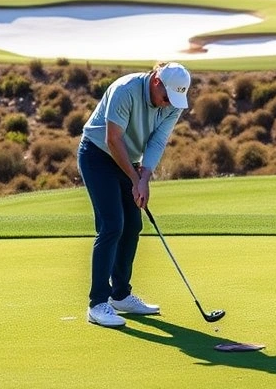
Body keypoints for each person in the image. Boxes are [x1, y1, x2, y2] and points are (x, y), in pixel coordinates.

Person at [76, 61, 191, 328]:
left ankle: (120, 295)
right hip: (98, 156)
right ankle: (97, 303)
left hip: (131, 160)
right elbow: (113, 139)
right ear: (155, 81)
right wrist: (134, 178)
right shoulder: (125, 90)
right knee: (112, 225)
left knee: (133, 226)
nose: (167, 104)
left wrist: (144, 178)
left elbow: (157, 141)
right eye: (165, 97)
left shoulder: (173, 103)